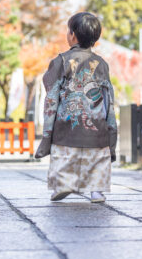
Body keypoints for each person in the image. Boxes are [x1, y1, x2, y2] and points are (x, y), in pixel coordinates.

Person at [35, 12, 117, 204]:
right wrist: (110, 127)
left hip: (67, 124)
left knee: (65, 156)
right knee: (96, 159)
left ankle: (63, 185)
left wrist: (48, 129)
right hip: (96, 125)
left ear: (72, 35)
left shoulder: (61, 61)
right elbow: (108, 97)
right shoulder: (101, 64)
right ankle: (96, 190)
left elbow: (52, 96)